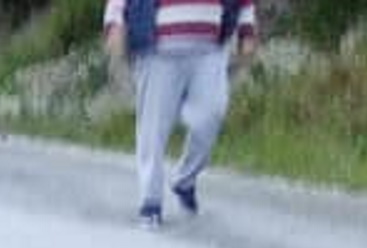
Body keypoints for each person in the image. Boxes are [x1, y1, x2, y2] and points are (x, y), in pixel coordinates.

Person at [103, 0, 258, 226]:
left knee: (211, 114)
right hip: (157, 49)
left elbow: (245, 3)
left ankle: (184, 180)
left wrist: (247, 32)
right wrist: (114, 24)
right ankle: (150, 202)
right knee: (153, 127)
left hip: (210, 49)